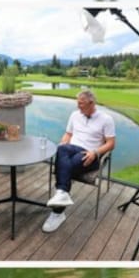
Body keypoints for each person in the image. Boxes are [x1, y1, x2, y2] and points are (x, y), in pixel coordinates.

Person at [43, 89, 116, 232]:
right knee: (62, 149)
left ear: (91, 103)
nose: (78, 107)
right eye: (78, 103)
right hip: (72, 149)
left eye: (81, 104)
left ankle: (58, 212)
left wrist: (95, 153)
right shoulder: (75, 115)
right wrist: (63, 143)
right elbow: (68, 134)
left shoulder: (106, 119)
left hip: (90, 154)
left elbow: (111, 143)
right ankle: (62, 194)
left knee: (64, 167)